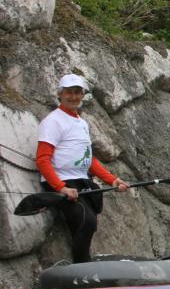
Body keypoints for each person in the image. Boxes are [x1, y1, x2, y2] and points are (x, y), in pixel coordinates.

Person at [35, 74, 129, 263]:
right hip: (61, 182)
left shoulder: (81, 123)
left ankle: (82, 265)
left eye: (78, 92)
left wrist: (112, 180)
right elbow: (42, 159)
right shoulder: (53, 121)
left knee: (88, 222)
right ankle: (82, 267)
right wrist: (61, 187)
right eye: (69, 92)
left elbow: (88, 159)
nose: (74, 97)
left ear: (83, 95)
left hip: (81, 181)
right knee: (87, 222)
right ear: (60, 94)